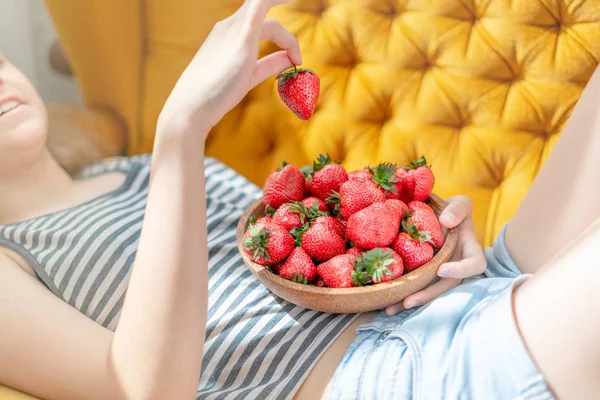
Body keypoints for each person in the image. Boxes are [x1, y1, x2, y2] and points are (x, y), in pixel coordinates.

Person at [0, 0, 597, 399]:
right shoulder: (13, 255)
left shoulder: (124, 169)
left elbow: (317, 257)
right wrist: (179, 129)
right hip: (387, 377)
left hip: (453, 304)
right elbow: (142, 390)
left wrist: (428, 247)